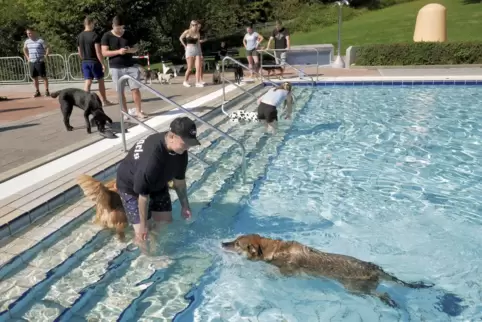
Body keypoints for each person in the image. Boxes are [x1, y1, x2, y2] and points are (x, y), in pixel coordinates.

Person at [116, 117, 201, 252]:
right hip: (132, 189)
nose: (188, 147)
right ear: (172, 136)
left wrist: (185, 206)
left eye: (190, 143)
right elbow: (143, 197)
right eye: (185, 143)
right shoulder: (150, 160)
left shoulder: (180, 151)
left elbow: (179, 182)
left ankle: (156, 245)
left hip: (158, 182)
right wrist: (144, 226)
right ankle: (147, 258)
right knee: (143, 233)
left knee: (165, 222)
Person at [101, 16, 147, 120]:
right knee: (120, 91)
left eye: (122, 28)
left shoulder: (128, 34)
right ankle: (125, 113)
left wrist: (130, 50)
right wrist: (118, 52)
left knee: (135, 89)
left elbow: (136, 48)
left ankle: (138, 111)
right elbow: (104, 52)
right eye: (118, 28)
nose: (120, 30)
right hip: (116, 67)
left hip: (130, 65)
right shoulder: (107, 36)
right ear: (113, 26)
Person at [77, 16, 113, 107]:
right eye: (93, 23)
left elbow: (79, 52)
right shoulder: (94, 35)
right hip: (94, 61)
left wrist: (83, 58)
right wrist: (102, 63)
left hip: (85, 61)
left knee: (87, 81)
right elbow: (98, 52)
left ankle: (85, 102)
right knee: (100, 80)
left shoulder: (79, 36)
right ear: (90, 23)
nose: (94, 25)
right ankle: (104, 100)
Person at [23, 28, 50, 97]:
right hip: (32, 61)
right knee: (34, 77)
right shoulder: (27, 41)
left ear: (33, 32)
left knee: (43, 76)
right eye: (27, 34)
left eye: (30, 33)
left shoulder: (40, 41)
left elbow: (47, 47)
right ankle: (37, 91)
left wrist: (45, 56)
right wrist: (27, 57)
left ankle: (47, 91)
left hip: (39, 61)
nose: (29, 35)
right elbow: (24, 49)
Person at [179, 20, 203, 88]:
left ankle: (197, 82)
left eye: (195, 25)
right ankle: (185, 81)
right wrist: (185, 46)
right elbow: (180, 38)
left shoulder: (198, 33)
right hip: (189, 50)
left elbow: (198, 43)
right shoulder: (187, 31)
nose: (195, 26)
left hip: (197, 51)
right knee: (190, 68)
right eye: (193, 25)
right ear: (191, 25)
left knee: (198, 67)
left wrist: (201, 53)